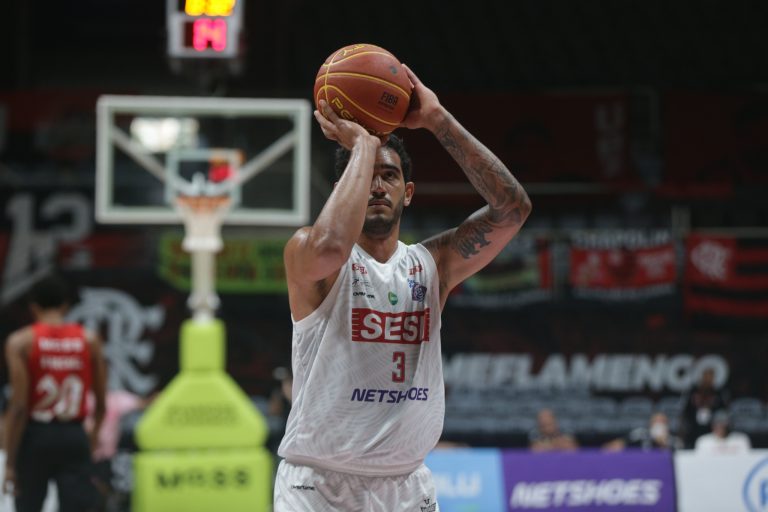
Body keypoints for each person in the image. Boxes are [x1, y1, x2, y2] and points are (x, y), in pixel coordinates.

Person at [274, 64, 531, 511]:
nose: (377, 186)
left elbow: (512, 209)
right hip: (320, 486)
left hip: (407, 484)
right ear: (344, 188)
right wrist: (362, 146)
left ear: (408, 192)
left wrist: (436, 118)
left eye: (389, 175)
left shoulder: (433, 265)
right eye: (367, 175)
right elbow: (331, 246)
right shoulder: (307, 253)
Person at [2, 274, 107, 512]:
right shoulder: (89, 340)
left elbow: (18, 406)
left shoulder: (21, 342)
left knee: (28, 507)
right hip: (74, 434)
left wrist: (9, 462)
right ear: (65, 305)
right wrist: (90, 441)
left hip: (34, 436)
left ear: (33, 306)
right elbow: (101, 404)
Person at [678, 367, 729, 448]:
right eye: (706, 377)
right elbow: (685, 412)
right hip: (693, 431)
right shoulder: (693, 392)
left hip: (711, 431)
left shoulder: (718, 394)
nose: (708, 380)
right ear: (702, 378)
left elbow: (722, 414)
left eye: (710, 378)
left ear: (713, 380)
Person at [603, 412, 683, 452]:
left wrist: (663, 441)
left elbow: (681, 455)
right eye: (656, 421)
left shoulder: (674, 440)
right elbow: (622, 442)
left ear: (667, 424)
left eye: (662, 421)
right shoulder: (641, 433)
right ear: (650, 423)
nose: (659, 424)